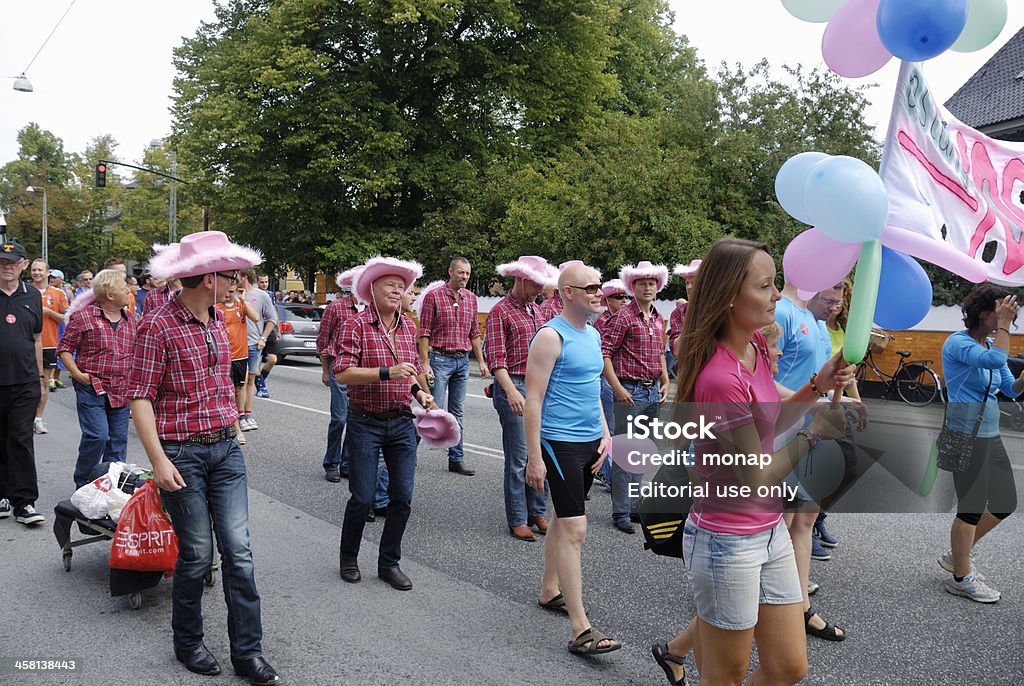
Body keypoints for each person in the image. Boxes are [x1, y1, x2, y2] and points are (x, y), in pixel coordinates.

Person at [655, 237, 851, 686]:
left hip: (768, 530)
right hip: (727, 541)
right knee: (726, 675)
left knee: (788, 667)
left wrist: (818, 386)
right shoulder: (720, 377)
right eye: (765, 287)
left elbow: (769, 418)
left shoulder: (756, 349)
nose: (778, 296)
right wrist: (814, 433)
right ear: (728, 297)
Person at [127, 231, 280, 684]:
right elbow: (140, 397)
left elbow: (220, 388)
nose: (239, 283)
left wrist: (234, 430)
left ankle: (247, 653)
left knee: (240, 552)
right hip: (182, 454)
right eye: (232, 276)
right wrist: (158, 461)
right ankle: (188, 641)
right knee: (196, 554)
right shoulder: (157, 325)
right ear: (207, 276)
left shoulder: (217, 319)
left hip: (226, 449)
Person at [525, 263, 620, 656]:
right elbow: (532, 400)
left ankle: (550, 590)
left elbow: (591, 388)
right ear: (567, 292)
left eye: (600, 287)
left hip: (588, 442)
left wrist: (604, 432)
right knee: (575, 529)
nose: (600, 293)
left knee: (563, 522)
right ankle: (580, 628)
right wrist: (534, 458)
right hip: (558, 443)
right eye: (591, 287)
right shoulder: (550, 336)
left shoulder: (593, 334)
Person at [335, 257, 437, 590]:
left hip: (402, 422)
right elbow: (343, 373)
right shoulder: (356, 325)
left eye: (400, 287)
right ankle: (348, 557)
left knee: (402, 497)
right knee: (362, 498)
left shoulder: (408, 326)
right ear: (371, 290)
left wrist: (422, 394)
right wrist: (385, 373)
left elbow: (411, 371)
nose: (397, 291)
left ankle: (388, 562)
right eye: (389, 286)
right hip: (365, 421)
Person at [939, 285, 1022, 603]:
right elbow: (993, 360)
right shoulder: (958, 343)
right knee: (970, 509)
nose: (1007, 317)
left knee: (1004, 503)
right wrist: (1004, 326)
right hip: (963, 436)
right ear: (983, 312)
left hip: (989, 434)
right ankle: (961, 577)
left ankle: (956, 555)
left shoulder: (989, 343)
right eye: (1000, 311)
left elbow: (1010, 388)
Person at [774, 279, 846, 641]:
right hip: (782, 433)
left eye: (839, 301)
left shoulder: (817, 323)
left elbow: (820, 378)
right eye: (830, 300)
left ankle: (800, 605)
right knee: (781, 524)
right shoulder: (783, 312)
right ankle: (764, 601)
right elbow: (763, 381)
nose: (834, 308)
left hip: (813, 431)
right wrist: (814, 401)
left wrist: (839, 396)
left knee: (805, 518)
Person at [484, 255, 557, 542]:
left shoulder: (537, 311)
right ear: (521, 279)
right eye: (536, 283)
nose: (540, 289)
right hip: (513, 384)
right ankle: (517, 517)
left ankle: (537, 510)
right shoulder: (500, 312)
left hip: (539, 387)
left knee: (542, 452)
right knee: (518, 458)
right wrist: (511, 391)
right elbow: (495, 358)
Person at [601, 260, 670, 534]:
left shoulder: (657, 317)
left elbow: (660, 353)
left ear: (658, 287)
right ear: (633, 286)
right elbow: (605, 353)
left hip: (652, 390)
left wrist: (665, 379)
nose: (648, 287)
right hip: (630, 391)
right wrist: (617, 388)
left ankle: (633, 506)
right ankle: (620, 511)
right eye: (642, 283)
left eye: (652, 283)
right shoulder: (623, 317)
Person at [58, 269, 137, 488]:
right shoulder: (83, 317)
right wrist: (76, 374)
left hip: (121, 389)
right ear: (110, 294)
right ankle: (84, 483)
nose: (129, 291)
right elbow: (65, 348)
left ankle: (111, 486)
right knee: (97, 437)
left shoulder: (131, 319)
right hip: (91, 387)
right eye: (123, 288)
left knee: (118, 443)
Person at [417, 257, 488, 477]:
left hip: (462, 361)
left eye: (467, 273)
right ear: (450, 272)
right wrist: (425, 363)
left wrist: (482, 362)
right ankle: (407, 452)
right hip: (440, 360)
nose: (465, 277)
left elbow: (475, 333)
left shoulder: (471, 299)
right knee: (432, 409)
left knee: (457, 412)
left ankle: (456, 459)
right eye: (461, 273)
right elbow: (424, 332)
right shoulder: (433, 297)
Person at [0, 238, 45, 526]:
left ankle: (24, 501)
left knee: (20, 439)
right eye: (2, 263)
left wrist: (40, 378)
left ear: (24, 265)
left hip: (25, 381)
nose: (7, 268)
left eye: (13, 263)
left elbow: (37, 339)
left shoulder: (32, 296)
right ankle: (2, 495)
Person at [318, 268, 363, 482]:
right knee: (339, 417)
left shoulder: (371, 310)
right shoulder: (336, 307)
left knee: (355, 420)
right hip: (340, 367)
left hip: (362, 371)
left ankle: (347, 462)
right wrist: (325, 370)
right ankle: (331, 462)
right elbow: (323, 340)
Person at [594, 278, 629, 489]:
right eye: (618, 297)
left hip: (619, 378)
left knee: (616, 430)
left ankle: (608, 472)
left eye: (625, 296)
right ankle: (607, 473)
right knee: (608, 429)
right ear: (607, 299)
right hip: (605, 379)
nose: (624, 301)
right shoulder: (602, 321)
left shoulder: (625, 318)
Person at [216, 282, 259, 446]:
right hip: (225, 356)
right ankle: (234, 427)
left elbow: (255, 317)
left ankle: (239, 416)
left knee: (240, 389)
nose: (228, 294)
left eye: (231, 291)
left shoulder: (241, 305)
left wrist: (244, 300)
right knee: (229, 391)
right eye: (226, 291)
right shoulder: (216, 307)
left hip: (241, 356)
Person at [30, 258, 68, 434]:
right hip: (27, 344)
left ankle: (38, 419)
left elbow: (68, 319)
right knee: (26, 384)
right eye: (34, 270)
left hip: (49, 344)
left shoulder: (58, 294)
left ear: (48, 273)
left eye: (40, 270)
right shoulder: (25, 291)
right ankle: (25, 418)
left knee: (43, 384)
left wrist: (50, 312)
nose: (37, 273)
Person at [238, 269, 277, 430]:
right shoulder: (232, 293)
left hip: (254, 343)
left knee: (250, 380)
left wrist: (263, 338)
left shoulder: (262, 296)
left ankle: (247, 414)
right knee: (238, 382)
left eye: (237, 276)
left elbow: (271, 318)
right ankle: (237, 413)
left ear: (245, 277)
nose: (234, 278)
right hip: (235, 345)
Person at [253, 273, 278, 398]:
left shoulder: (270, 295)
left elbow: (273, 311)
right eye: (262, 282)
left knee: (273, 359)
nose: (264, 284)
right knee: (256, 361)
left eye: (266, 282)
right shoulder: (254, 294)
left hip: (270, 329)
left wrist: (278, 329)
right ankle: (261, 386)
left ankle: (259, 379)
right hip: (257, 330)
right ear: (257, 282)